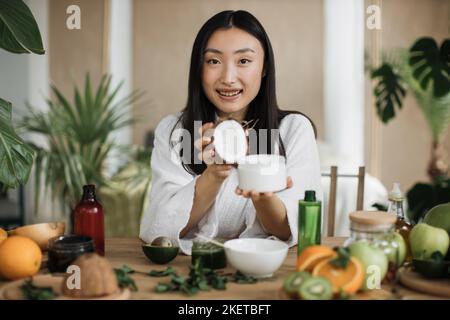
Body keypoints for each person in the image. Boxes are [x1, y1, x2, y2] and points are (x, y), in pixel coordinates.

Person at [140, 10, 322, 254]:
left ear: (265, 66)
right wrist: (214, 174)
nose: (228, 78)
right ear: (199, 68)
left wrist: (261, 194)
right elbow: (160, 229)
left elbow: (294, 230)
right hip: (192, 269)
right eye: (213, 61)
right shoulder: (175, 131)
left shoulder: (293, 130)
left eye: (243, 61)